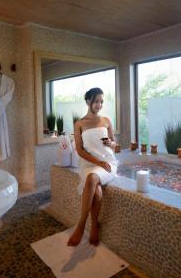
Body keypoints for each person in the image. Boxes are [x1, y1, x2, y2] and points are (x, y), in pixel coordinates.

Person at [67, 87, 118, 247]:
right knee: (96, 191)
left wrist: (112, 143)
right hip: (89, 163)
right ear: (88, 101)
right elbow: (80, 151)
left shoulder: (106, 121)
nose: (99, 105)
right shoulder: (79, 124)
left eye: (101, 102)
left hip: (108, 162)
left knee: (92, 178)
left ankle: (81, 226)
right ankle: (94, 226)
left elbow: (115, 145)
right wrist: (98, 163)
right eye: (96, 101)